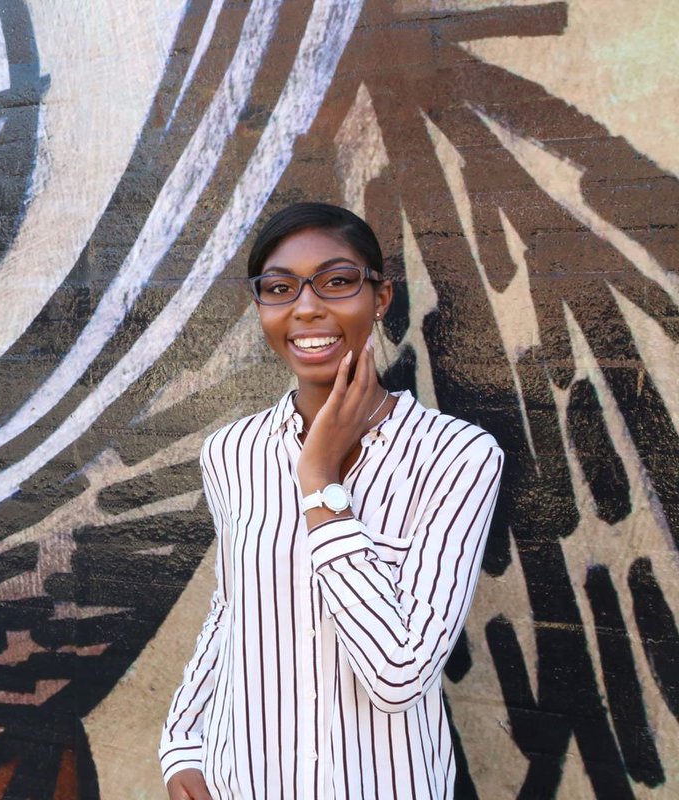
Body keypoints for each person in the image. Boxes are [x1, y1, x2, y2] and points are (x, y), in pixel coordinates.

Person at [159, 202, 503, 799]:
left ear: (381, 297)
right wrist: (183, 743)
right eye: (279, 288)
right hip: (245, 781)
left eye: (337, 282)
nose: (306, 307)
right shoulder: (231, 452)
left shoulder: (456, 456)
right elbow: (232, 608)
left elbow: (399, 675)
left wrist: (319, 480)